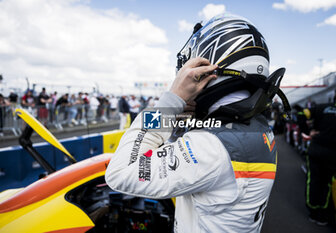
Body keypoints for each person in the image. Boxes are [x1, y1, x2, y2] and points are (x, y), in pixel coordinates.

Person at [106, 14, 289, 232]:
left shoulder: (212, 147)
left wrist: (170, 101)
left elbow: (121, 172)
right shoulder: (254, 126)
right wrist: (181, 125)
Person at [305, 85, 336, 226]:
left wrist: (309, 130)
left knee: (313, 181)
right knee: (328, 184)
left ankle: (313, 212)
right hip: (333, 153)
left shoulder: (322, 106)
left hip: (315, 149)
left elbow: (301, 114)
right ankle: (323, 215)